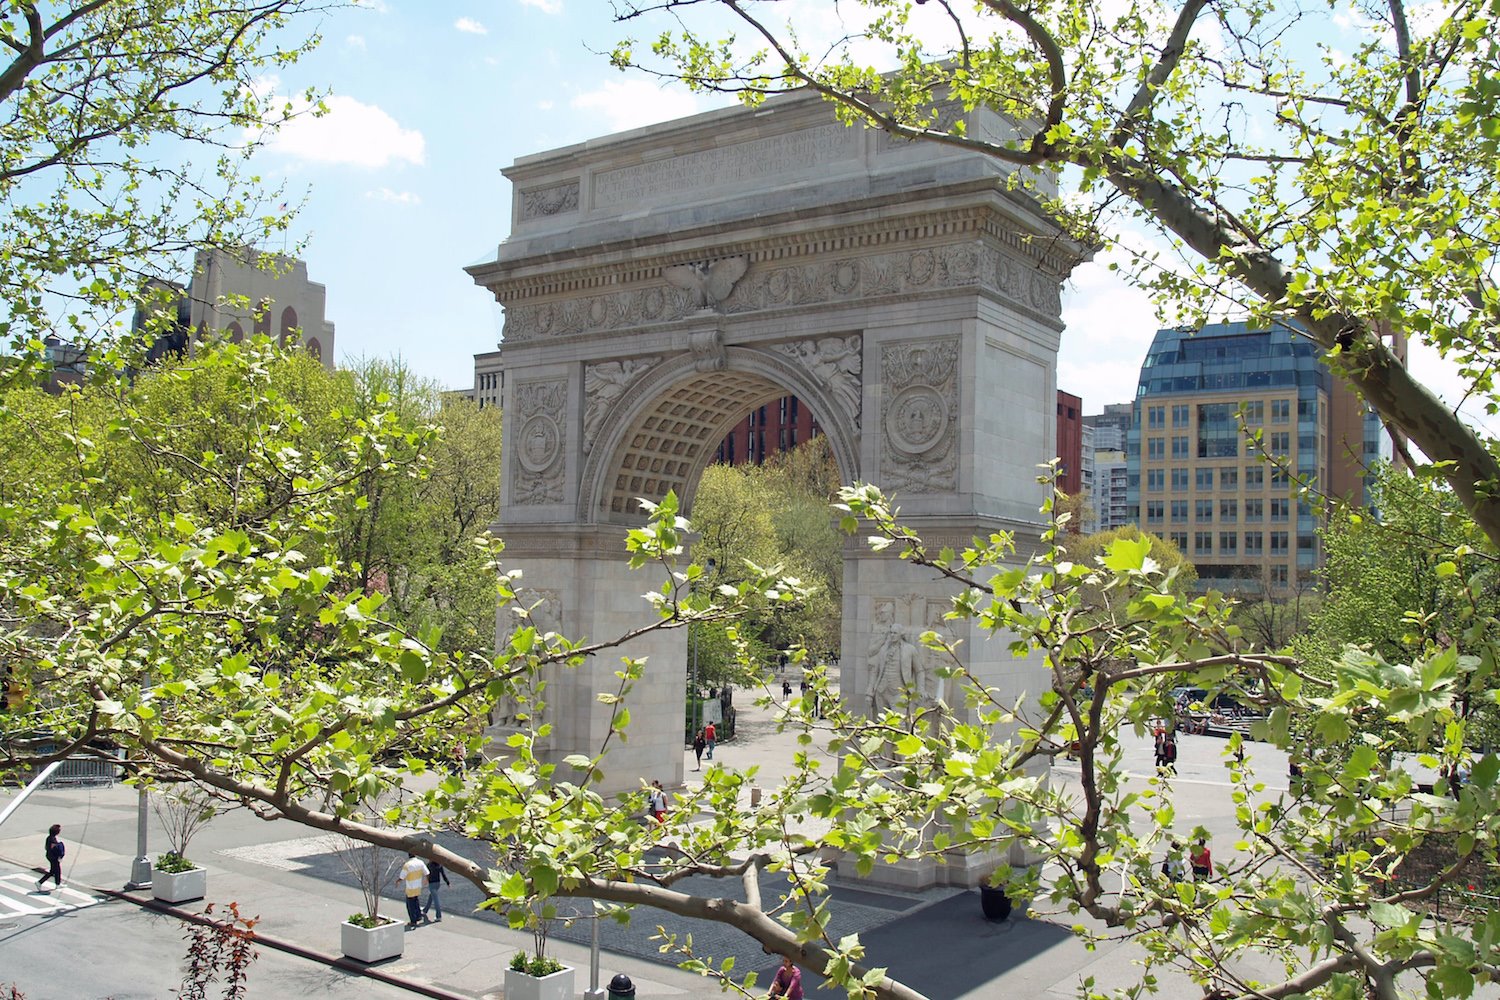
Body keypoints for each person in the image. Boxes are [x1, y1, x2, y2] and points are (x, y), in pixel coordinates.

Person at [396, 852, 429, 927]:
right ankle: (418, 916)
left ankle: (413, 921)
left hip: (410, 887)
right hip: (418, 886)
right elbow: (427, 872)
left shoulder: (407, 865)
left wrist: (398, 881)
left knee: (410, 905)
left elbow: (402, 876)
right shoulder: (420, 862)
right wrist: (426, 880)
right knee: (416, 901)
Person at [35, 823, 63, 892]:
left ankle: (58, 884)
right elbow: (55, 849)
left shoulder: (49, 838)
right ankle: (39, 882)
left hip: (49, 856)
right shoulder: (53, 840)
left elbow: (46, 847)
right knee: (53, 871)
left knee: (57, 870)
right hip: (53, 857)